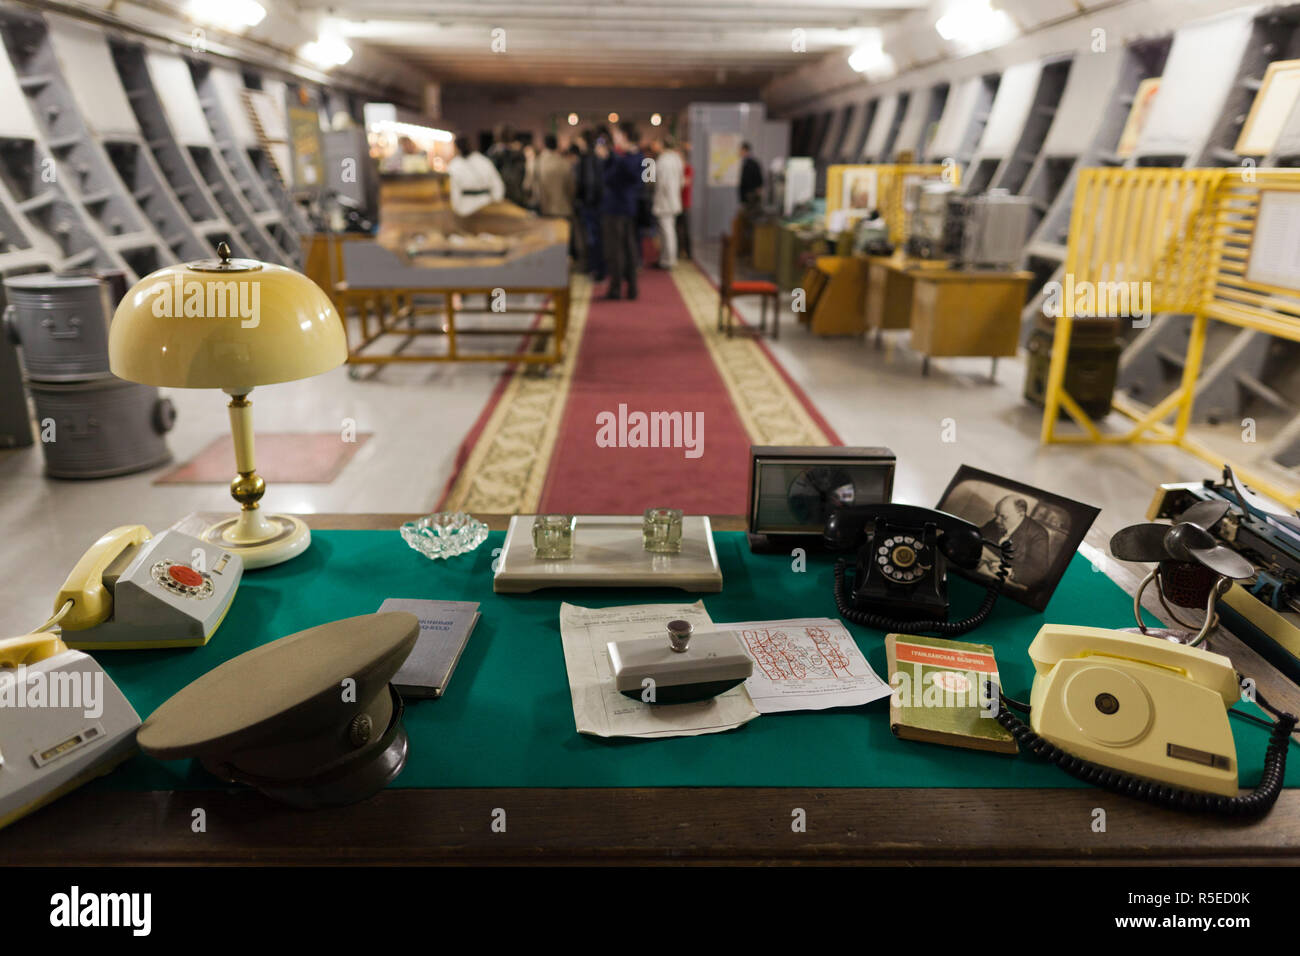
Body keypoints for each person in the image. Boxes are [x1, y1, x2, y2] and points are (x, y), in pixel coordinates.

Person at [599, 121, 643, 300]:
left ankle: (616, 289)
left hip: (616, 208)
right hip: (629, 207)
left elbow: (608, 178)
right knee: (630, 248)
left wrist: (610, 158)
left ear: (624, 136)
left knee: (615, 250)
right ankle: (632, 287)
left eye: (617, 135)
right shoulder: (639, 156)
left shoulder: (624, 158)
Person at [978, 495, 1050, 588]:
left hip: (1006, 585)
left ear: (1021, 514)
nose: (997, 520)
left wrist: (1011, 571)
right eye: (996, 514)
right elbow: (979, 535)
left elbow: (1038, 573)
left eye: (1004, 517)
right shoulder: (998, 521)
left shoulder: (1039, 534)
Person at [447, 136, 504, 218]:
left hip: (466, 208)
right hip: (485, 205)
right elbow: (497, 184)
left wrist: (455, 210)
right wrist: (496, 202)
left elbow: (453, 192)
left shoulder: (454, 165)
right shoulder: (484, 161)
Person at [651, 136, 684, 269]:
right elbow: (681, 181)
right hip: (673, 199)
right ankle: (666, 258)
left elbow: (660, 182)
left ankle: (668, 260)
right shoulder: (677, 159)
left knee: (667, 232)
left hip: (665, 201)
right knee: (668, 231)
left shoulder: (664, 160)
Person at [532, 133, 574, 219]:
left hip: (544, 208)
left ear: (544, 145)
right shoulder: (564, 162)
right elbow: (571, 187)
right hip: (563, 208)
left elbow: (531, 185)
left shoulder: (537, 162)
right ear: (556, 145)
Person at [678, 141, 693, 261]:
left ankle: (689, 252)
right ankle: (678, 251)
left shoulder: (688, 168)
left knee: (686, 229)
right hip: (677, 202)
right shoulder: (678, 170)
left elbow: (686, 182)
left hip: (685, 203)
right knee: (677, 229)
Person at [738, 141, 763, 206]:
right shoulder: (745, 163)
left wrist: (757, 191)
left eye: (741, 150)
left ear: (746, 151)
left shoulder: (753, 164)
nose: (740, 152)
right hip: (745, 195)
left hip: (751, 195)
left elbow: (759, 179)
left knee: (750, 213)